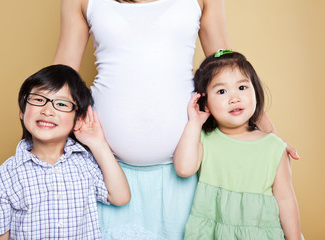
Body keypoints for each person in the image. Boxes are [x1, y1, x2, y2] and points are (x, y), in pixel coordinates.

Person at [52, 0, 298, 239]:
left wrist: (270, 136)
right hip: (104, 168)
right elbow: (60, 78)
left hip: (185, 175)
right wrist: (40, 150)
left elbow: (229, 68)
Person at [0, 65, 130, 240]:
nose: (47, 110)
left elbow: (120, 197)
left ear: (77, 118)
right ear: (22, 111)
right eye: (39, 100)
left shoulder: (85, 163)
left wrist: (98, 143)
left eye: (62, 104)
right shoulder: (4, 178)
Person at [173, 50, 303, 240]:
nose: (234, 98)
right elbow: (184, 169)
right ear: (206, 103)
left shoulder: (274, 147)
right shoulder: (204, 139)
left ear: (255, 92)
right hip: (213, 233)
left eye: (242, 88)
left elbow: (285, 199)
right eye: (221, 91)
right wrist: (194, 123)